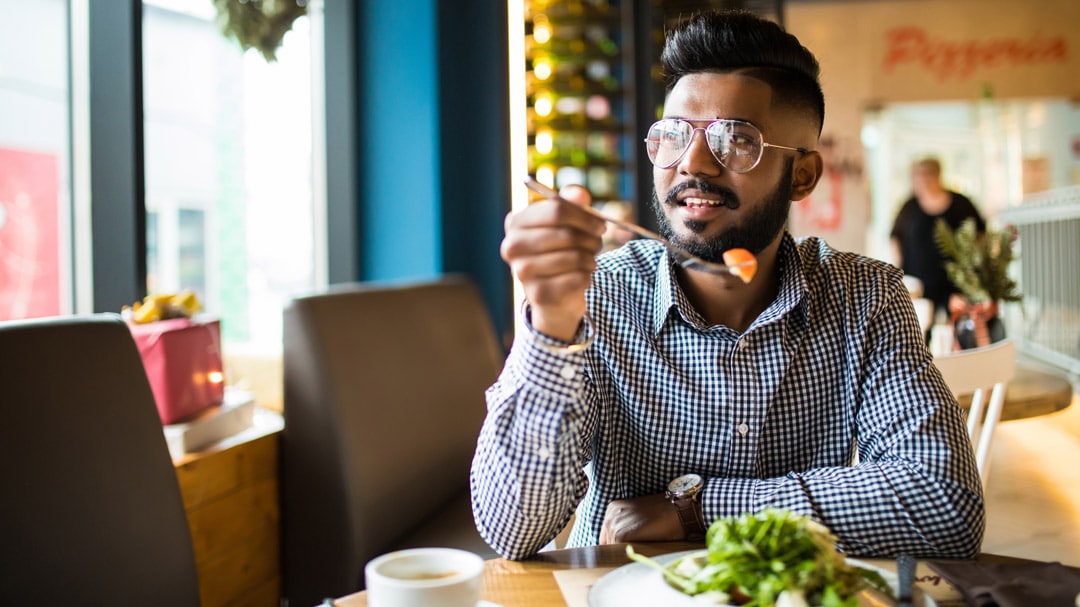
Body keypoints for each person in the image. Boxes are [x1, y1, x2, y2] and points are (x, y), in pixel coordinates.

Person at [471, 10, 984, 562]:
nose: (693, 164)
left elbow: (945, 504)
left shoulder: (864, 295)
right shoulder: (597, 297)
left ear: (803, 175)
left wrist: (696, 510)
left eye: (736, 140)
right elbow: (510, 531)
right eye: (672, 136)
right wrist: (549, 325)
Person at [890, 157, 986, 320]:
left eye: (928, 175)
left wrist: (975, 271)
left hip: (955, 283)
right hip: (919, 283)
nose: (924, 180)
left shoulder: (961, 203)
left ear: (938, 175)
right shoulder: (909, 207)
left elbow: (980, 235)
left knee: (958, 327)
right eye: (919, 176)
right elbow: (895, 239)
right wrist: (897, 275)